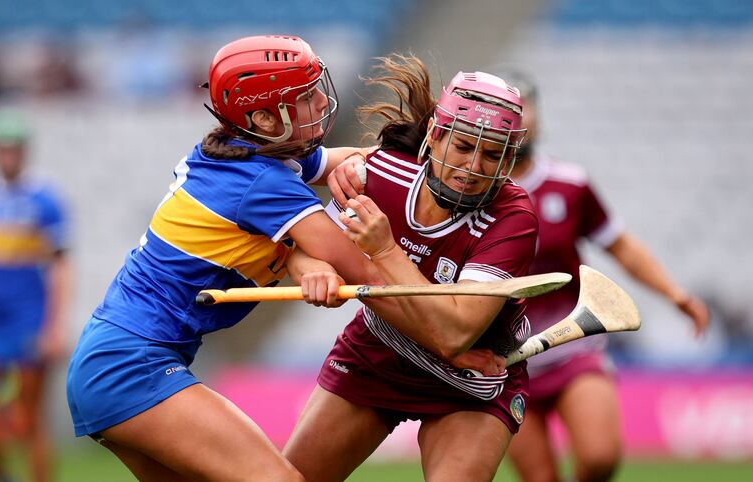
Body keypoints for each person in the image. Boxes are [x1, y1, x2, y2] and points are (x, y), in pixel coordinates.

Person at [65, 35, 406, 482]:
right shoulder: (263, 184)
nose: (323, 99)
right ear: (264, 117)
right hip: (131, 364)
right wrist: (453, 334)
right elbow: (365, 272)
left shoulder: (241, 152)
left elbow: (351, 165)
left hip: (110, 358)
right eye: (304, 98)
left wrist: (405, 166)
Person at [283, 55, 537, 482]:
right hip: (379, 354)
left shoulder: (513, 217)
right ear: (434, 137)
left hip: (471, 381)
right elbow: (301, 248)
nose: (473, 168)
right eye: (461, 146)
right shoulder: (379, 176)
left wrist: (384, 251)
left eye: (492, 155)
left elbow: (455, 333)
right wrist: (312, 269)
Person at [501, 72, 711, 482]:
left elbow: (622, 246)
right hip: (504, 362)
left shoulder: (571, 185)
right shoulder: (473, 194)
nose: (521, 118)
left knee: (600, 458)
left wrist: (674, 294)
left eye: (528, 107)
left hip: (572, 345)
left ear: (539, 118)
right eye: (511, 109)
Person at [0, 110, 72, 482]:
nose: (8, 156)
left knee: (30, 419)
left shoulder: (45, 200)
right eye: (2, 149)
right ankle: (2, 475)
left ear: (24, 152)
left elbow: (60, 269)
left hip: (29, 320)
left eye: (14, 149)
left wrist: (53, 327)